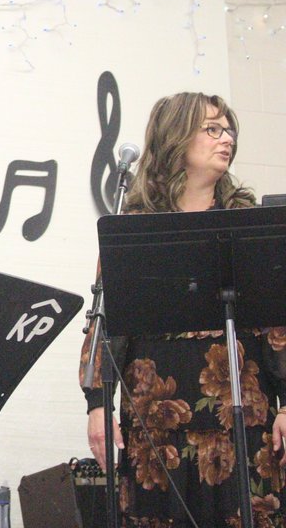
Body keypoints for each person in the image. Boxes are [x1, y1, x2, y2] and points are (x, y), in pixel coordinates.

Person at [80, 92, 286, 525]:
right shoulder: (132, 229)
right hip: (157, 430)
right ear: (175, 138)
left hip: (244, 426)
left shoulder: (247, 222)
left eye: (229, 129)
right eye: (212, 128)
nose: (225, 138)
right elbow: (105, 325)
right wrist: (97, 405)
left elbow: (278, 325)